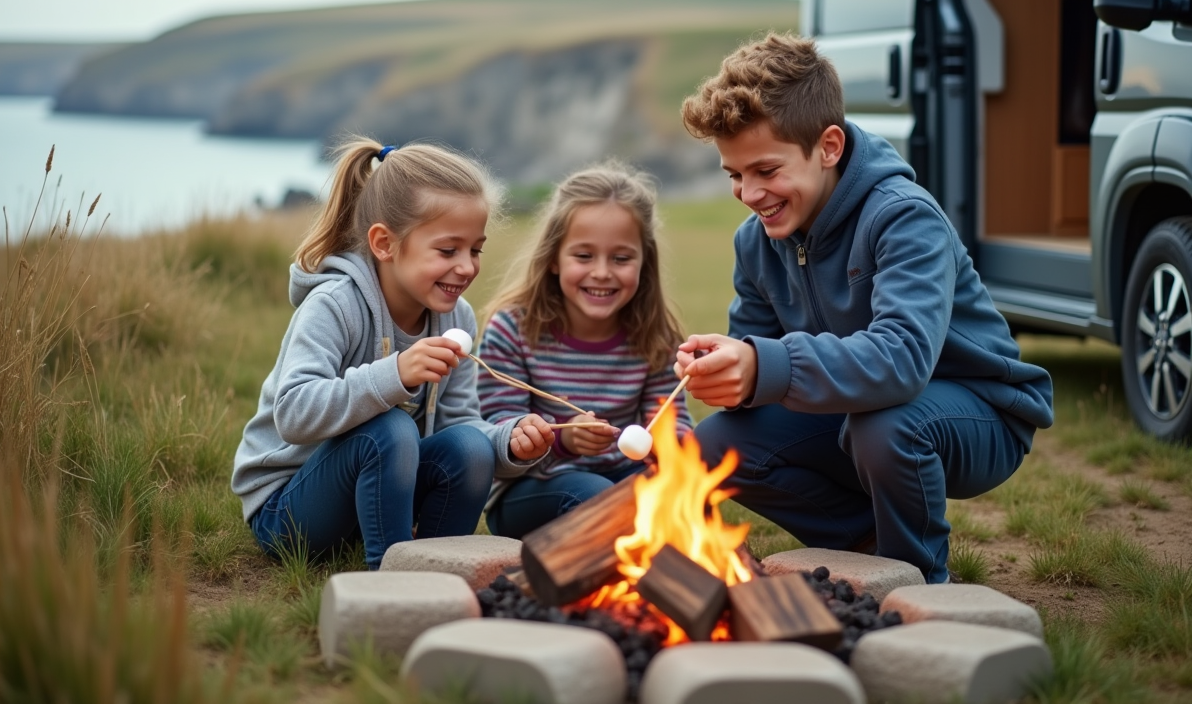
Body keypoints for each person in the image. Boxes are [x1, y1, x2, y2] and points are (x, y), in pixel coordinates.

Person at [673, 33, 1054, 583]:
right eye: (735, 175)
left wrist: (765, 366)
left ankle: (917, 580)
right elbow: (758, 375)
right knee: (716, 446)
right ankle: (865, 542)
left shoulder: (903, 217)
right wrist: (727, 371)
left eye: (766, 170)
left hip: (979, 413)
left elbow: (900, 361)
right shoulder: (754, 242)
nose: (749, 194)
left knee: (886, 425)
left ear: (828, 147)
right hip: (856, 416)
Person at [230, 140, 551, 571]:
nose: (467, 267)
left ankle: (441, 567)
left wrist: (507, 441)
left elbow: (460, 423)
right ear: (384, 243)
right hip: (289, 511)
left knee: (471, 448)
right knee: (392, 428)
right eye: (447, 250)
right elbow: (293, 414)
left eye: (475, 249)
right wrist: (394, 373)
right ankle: (393, 578)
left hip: (375, 498)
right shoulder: (334, 305)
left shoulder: (457, 318)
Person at [477, 165, 694, 538]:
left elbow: (671, 423)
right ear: (553, 258)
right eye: (583, 256)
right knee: (598, 498)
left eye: (622, 258)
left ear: (645, 262)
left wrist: (671, 449)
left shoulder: (656, 337)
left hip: (623, 476)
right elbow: (499, 436)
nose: (602, 272)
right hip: (532, 490)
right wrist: (563, 439)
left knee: (683, 496)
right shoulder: (512, 330)